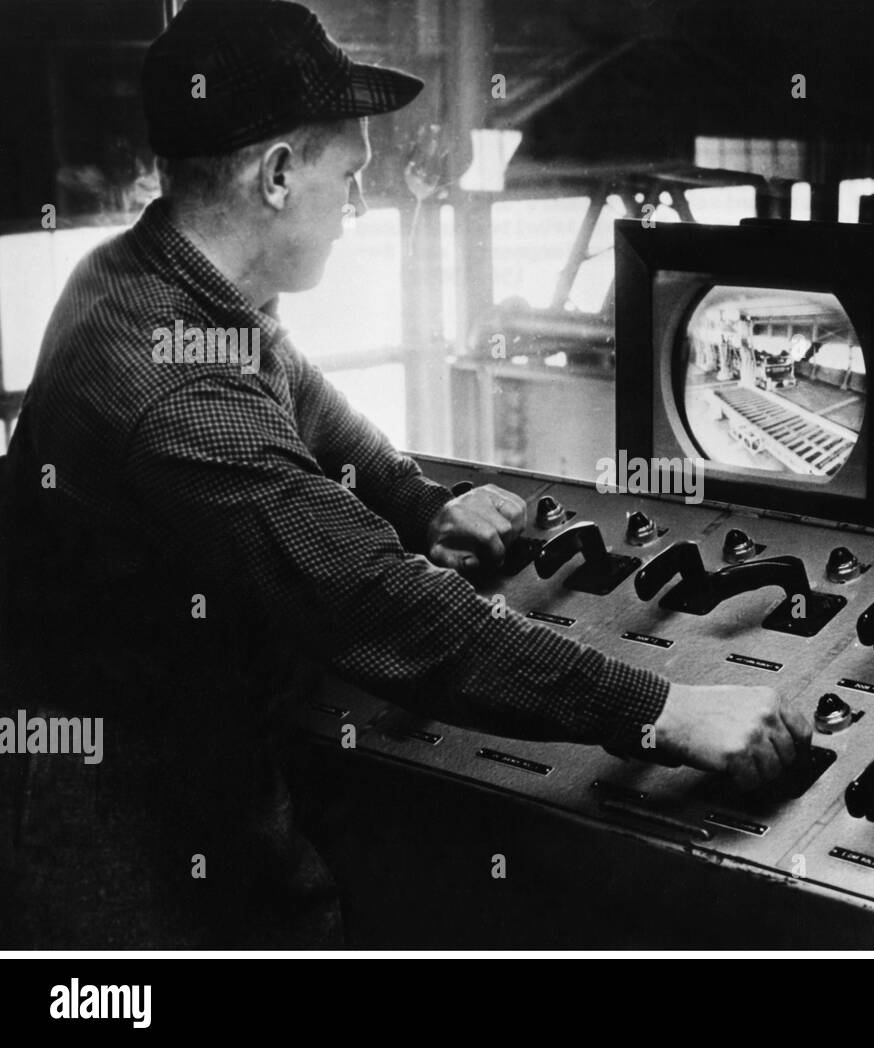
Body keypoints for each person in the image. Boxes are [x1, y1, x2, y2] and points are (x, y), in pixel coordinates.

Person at [0, 0, 808, 947]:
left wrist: (421, 504)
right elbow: (373, 604)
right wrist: (662, 710)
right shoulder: (179, 395)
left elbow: (301, 395)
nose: (357, 205)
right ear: (276, 175)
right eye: (351, 175)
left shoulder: (140, 275)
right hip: (115, 814)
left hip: (189, 755)